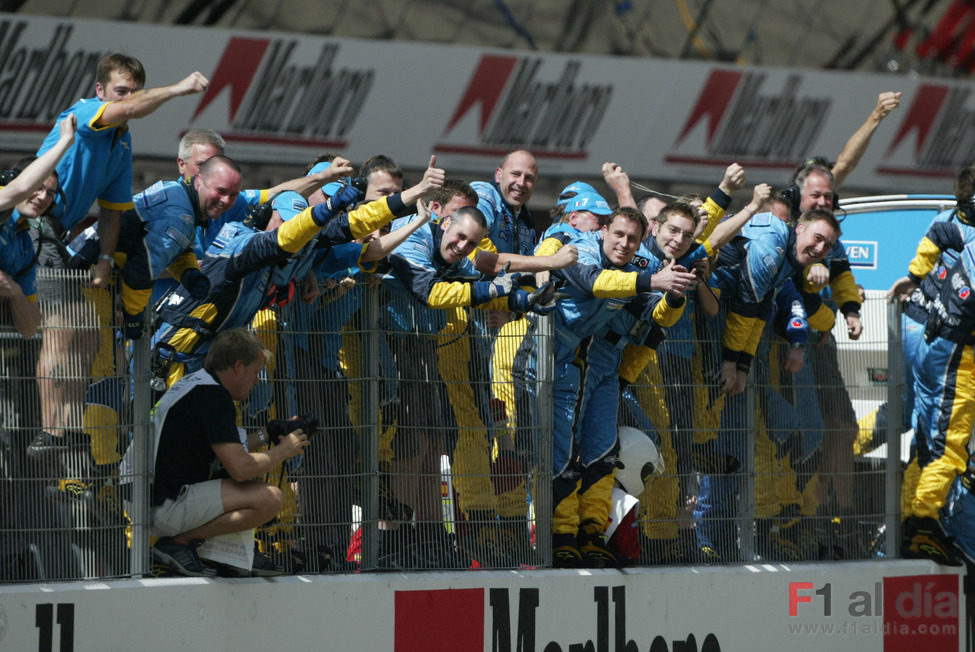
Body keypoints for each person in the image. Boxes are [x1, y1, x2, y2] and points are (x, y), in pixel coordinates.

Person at [142, 328, 310, 577]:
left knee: (239, 482)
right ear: (239, 367)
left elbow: (230, 447)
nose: (256, 381)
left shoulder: (199, 384)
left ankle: (228, 554)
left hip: (151, 499)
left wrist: (268, 434)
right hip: (163, 508)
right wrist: (284, 451)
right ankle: (180, 543)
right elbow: (240, 469)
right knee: (269, 498)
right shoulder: (214, 398)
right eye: (256, 372)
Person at [0, 115, 77, 339]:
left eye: (51, 193)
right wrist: (65, 141)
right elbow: (20, 189)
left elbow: (30, 329)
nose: (43, 197)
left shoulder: (26, 247)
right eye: (38, 187)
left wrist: (15, 293)